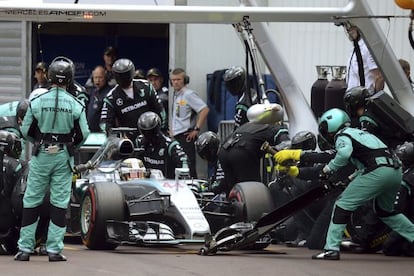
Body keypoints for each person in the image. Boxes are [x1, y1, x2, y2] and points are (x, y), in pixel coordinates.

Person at [275, 108, 414, 260]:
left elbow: (342, 154)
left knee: (342, 204)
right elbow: (368, 160)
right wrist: (349, 178)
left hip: (378, 171)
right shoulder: (363, 134)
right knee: (387, 213)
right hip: (395, 171)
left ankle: (331, 249)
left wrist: (327, 169)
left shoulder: (343, 135)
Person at [15, 57, 90, 262]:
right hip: (63, 157)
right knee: (59, 202)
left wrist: (37, 142)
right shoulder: (76, 104)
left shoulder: (37, 101)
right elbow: (84, 133)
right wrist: (71, 147)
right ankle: (54, 250)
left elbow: (25, 130)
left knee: (31, 200)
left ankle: (24, 249)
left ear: (49, 78)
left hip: (41, 155)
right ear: (69, 79)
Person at [217, 117, 290, 195]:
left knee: (231, 188)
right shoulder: (273, 127)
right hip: (242, 153)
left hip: (223, 151)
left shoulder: (248, 125)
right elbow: (285, 142)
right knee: (253, 191)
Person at [100, 58, 167, 141]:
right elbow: (105, 124)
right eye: (120, 75)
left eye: (125, 74)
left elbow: (160, 111)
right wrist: (117, 139)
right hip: (129, 141)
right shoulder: (111, 97)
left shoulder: (146, 87)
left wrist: (161, 131)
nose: (123, 78)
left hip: (152, 136)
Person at [170, 68, 209, 178]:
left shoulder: (188, 94)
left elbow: (204, 109)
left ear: (185, 80)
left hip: (186, 136)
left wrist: (196, 129)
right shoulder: (177, 95)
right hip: (177, 136)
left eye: (178, 79)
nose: (175, 82)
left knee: (188, 166)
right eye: (173, 80)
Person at [134, 111, 187, 179]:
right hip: (145, 184)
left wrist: (183, 176)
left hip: (167, 185)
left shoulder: (170, 145)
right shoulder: (139, 142)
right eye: (145, 132)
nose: (148, 135)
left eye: (150, 132)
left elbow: (184, 161)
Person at [345, 24, 384, 93]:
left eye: (352, 28)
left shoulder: (367, 48)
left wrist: (374, 97)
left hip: (364, 97)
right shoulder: (356, 48)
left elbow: (379, 76)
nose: (349, 31)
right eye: (347, 29)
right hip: (353, 97)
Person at [223, 66, 258, 130]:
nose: (231, 86)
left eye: (233, 83)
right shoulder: (253, 92)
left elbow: (238, 129)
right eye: (229, 84)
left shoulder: (242, 104)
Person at [85, 65, 113, 132]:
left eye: (100, 77)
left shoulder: (110, 92)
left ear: (105, 77)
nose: (98, 80)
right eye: (95, 77)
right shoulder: (91, 92)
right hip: (90, 133)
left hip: (103, 133)